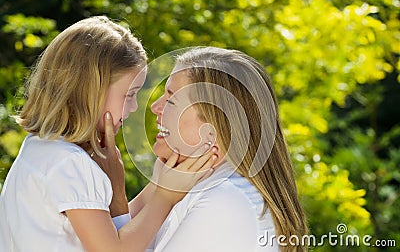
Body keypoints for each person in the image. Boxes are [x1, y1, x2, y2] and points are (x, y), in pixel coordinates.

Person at [0, 17, 217, 252]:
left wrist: (158, 185)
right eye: (129, 94)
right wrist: (165, 197)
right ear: (91, 91)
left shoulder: (41, 148)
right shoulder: (70, 164)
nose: (134, 107)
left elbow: (114, 231)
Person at [111, 47, 308, 251]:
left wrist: (128, 197)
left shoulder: (225, 201)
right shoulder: (202, 189)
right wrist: (155, 190)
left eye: (171, 99)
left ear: (214, 126)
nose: (155, 107)